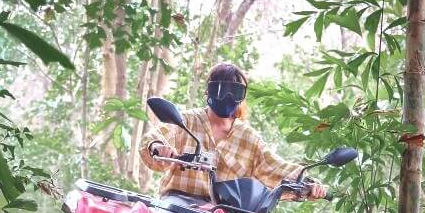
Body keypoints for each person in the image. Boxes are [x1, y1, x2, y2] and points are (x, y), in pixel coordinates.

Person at [138, 63, 327, 202]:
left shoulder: (248, 138)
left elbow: (276, 167)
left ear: (241, 97)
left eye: (235, 92)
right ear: (209, 91)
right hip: (179, 203)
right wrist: (158, 147)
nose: (227, 97)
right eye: (221, 89)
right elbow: (155, 137)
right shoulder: (186, 121)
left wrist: (309, 185)